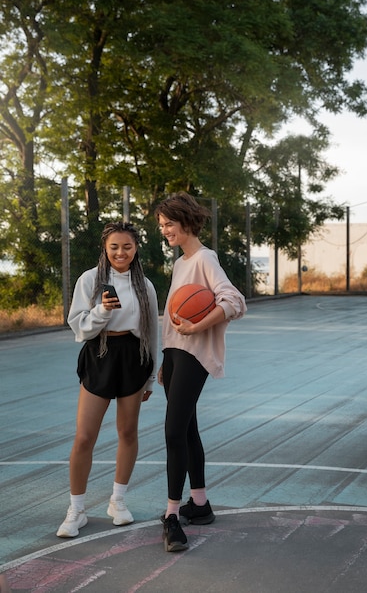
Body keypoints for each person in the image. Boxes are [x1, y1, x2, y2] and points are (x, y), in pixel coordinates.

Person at [155, 192, 247, 552]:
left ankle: (172, 517)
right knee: (188, 431)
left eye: (168, 224)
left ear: (186, 221)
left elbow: (234, 301)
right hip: (175, 355)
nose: (164, 231)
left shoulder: (205, 257)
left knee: (173, 432)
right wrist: (166, 356)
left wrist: (197, 328)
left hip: (193, 355)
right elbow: (175, 314)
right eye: (161, 226)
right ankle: (200, 504)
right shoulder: (181, 263)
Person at [56, 222, 158, 538]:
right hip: (99, 354)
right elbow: (79, 328)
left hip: (133, 357)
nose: (120, 252)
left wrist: (152, 377)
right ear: (105, 247)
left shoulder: (146, 286)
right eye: (114, 246)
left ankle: (118, 501)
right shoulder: (90, 280)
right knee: (84, 436)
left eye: (126, 246)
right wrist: (102, 311)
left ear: (136, 248)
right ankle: (76, 510)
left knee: (127, 431)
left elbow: (153, 331)